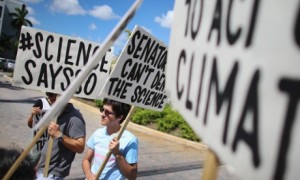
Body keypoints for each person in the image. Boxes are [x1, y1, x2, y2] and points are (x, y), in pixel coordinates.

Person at [82, 98, 138, 180]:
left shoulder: (130, 140)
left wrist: (117, 154)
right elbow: (86, 160)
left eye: (107, 112)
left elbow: (132, 176)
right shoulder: (98, 133)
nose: (103, 114)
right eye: (102, 110)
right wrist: (89, 175)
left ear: (119, 117)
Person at [36, 101, 86, 180]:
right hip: (41, 169)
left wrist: (59, 134)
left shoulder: (75, 118)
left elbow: (80, 147)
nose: (50, 99)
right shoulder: (54, 112)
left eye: (54, 96)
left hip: (51, 173)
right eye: (49, 95)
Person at [27, 92, 57, 159]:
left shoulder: (60, 106)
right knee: (33, 161)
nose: (54, 97)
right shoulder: (40, 102)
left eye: (56, 95)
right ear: (48, 94)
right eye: (51, 95)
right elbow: (30, 125)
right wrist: (32, 115)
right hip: (39, 141)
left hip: (52, 142)